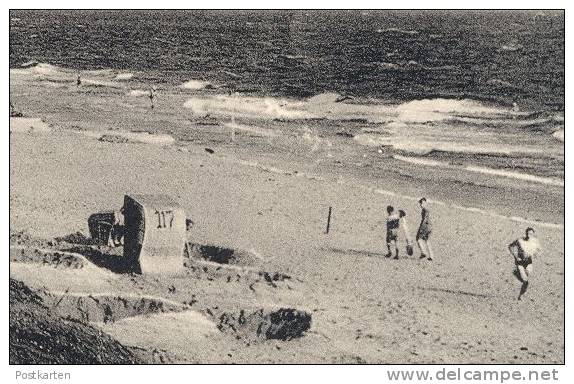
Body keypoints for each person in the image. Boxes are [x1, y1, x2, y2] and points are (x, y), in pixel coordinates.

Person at [508, 227, 540, 300]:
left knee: (526, 278)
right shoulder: (520, 240)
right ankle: (521, 296)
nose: (529, 235)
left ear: (533, 234)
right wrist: (515, 256)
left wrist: (535, 253)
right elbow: (510, 246)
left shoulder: (534, 242)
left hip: (529, 262)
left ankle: (518, 275)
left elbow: (538, 250)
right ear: (526, 233)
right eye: (528, 233)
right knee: (525, 281)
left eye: (531, 234)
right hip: (520, 262)